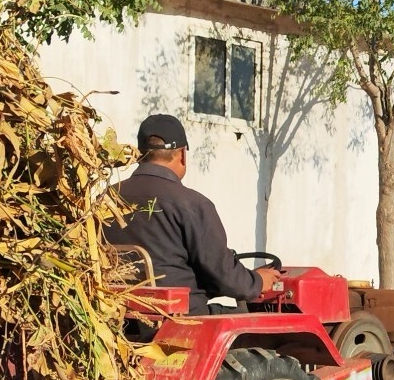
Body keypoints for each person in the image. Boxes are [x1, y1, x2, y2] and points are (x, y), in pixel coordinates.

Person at [103, 113, 280, 312]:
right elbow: (223, 274)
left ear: (139, 154)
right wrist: (257, 281)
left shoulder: (107, 198)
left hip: (120, 314)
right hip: (179, 317)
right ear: (182, 154)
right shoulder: (191, 204)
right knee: (258, 316)